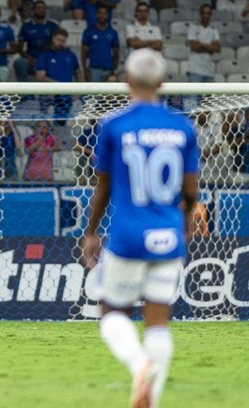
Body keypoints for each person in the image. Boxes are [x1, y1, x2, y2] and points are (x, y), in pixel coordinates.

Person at [80, 49, 199, 408]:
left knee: (112, 313)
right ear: (162, 83)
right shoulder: (183, 127)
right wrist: (185, 220)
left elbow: (103, 185)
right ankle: (153, 398)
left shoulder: (114, 125)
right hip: (168, 235)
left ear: (127, 81)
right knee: (158, 321)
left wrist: (91, 231)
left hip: (129, 236)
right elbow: (191, 192)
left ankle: (138, 364)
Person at [81, 6, 119, 82]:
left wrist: (114, 70)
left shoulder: (113, 33)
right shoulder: (88, 32)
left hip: (108, 70)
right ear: (96, 15)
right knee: (95, 94)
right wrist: (85, 70)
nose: (102, 15)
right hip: (94, 70)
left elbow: (116, 53)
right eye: (100, 13)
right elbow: (83, 52)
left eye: (104, 13)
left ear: (108, 16)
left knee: (108, 94)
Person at [187, 4, 220, 83]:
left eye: (208, 13)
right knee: (193, 95)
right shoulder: (193, 28)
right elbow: (194, 47)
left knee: (209, 95)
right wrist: (210, 47)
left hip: (209, 71)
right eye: (204, 13)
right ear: (200, 14)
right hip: (195, 70)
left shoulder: (214, 30)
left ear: (211, 15)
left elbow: (217, 49)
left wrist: (202, 44)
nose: (206, 16)